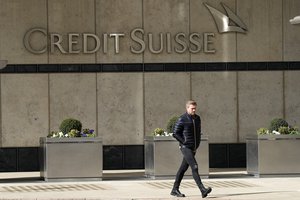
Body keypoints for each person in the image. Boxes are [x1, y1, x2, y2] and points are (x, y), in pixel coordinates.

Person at [171, 100, 212, 198]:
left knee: (183, 168)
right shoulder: (182, 119)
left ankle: (174, 189)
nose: (194, 110)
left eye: (195, 108)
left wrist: (197, 143)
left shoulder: (197, 118)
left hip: (193, 147)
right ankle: (202, 189)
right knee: (194, 166)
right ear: (187, 108)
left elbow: (198, 132)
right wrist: (184, 142)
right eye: (192, 108)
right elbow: (175, 133)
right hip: (185, 147)